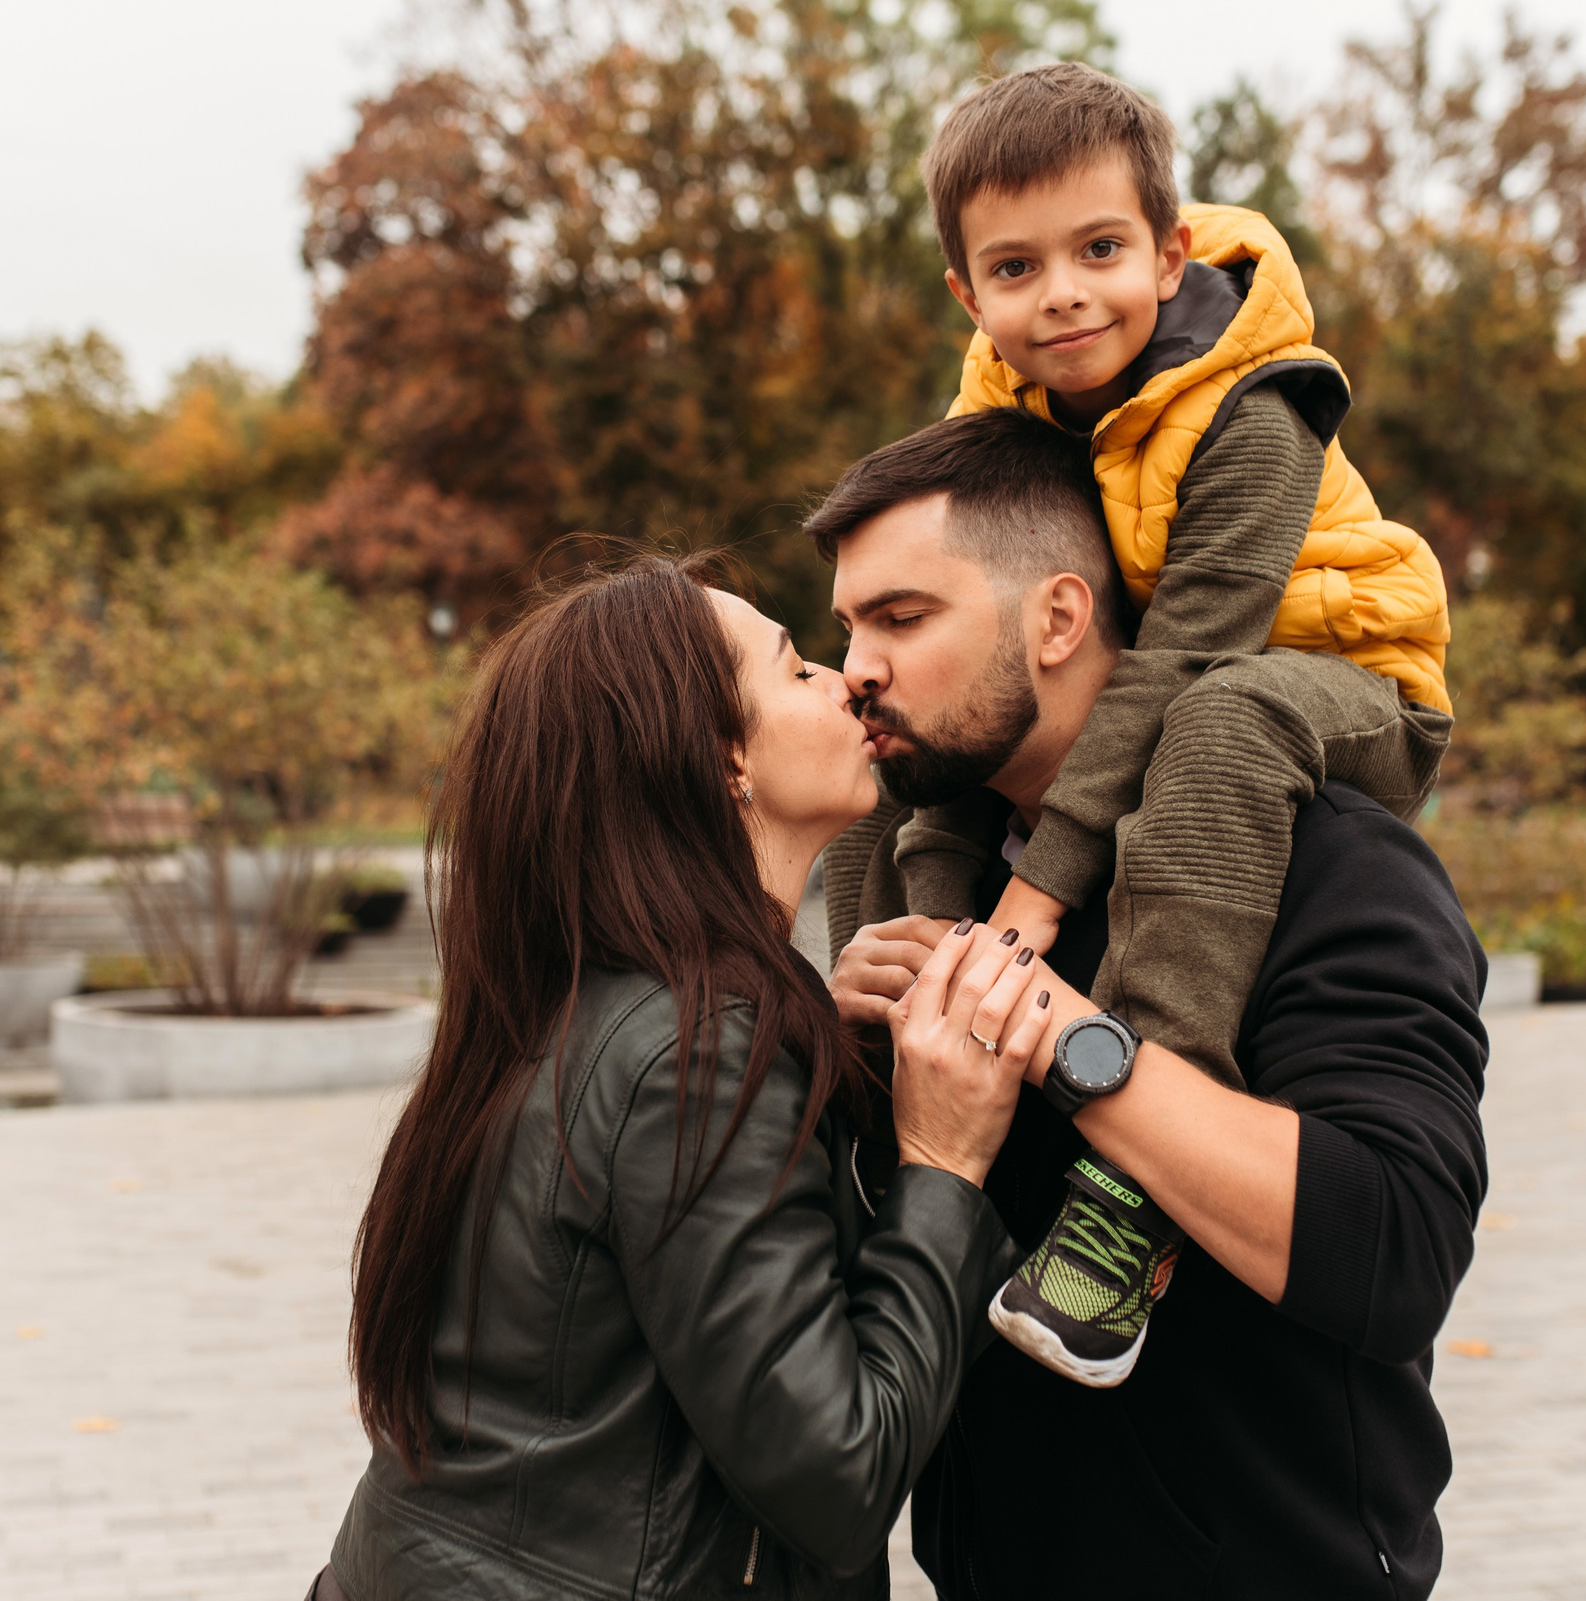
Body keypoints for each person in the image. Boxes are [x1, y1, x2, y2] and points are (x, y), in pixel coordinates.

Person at [812, 423, 1488, 1598]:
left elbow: (1397, 1246)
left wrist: (1058, 1034)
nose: (857, 667)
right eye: (846, 630)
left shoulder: (1324, 858)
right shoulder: (935, 871)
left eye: (901, 618)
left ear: (1059, 618)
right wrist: (837, 1048)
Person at [313, 555, 1053, 1601]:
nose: (847, 679)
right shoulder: (700, 1050)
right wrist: (946, 1161)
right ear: (721, 762)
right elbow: (838, 1477)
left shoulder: (601, 999)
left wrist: (820, 1050)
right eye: (796, 669)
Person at [872, 59, 1456, 1384]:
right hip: (1178, 695)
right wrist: (941, 906)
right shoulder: (1003, 409)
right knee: (912, 709)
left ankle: (1129, 1195)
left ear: (1169, 248)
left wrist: (1030, 913)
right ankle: (885, 1078)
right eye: (1015, 270)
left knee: (1224, 716)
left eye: (1099, 249)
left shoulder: (1262, 405)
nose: (1062, 293)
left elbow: (1186, 654)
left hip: (1344, 681)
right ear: (967, 294)